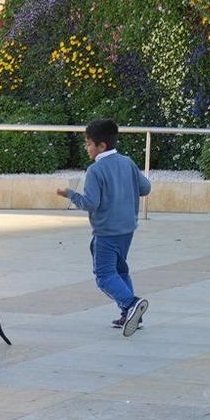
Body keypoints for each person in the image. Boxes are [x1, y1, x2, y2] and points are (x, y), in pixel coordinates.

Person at [57, 118, 153, 335]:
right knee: (119, 270)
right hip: (127, 229)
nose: (86, 148)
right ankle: (129, 315)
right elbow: (145, 188)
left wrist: (69, 194)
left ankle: (131, 304)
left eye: (89, 143)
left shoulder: (95, 170)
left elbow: (90, 203)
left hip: (106, 232)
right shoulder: (127, 162)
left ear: (102, 145)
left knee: (104, 275)